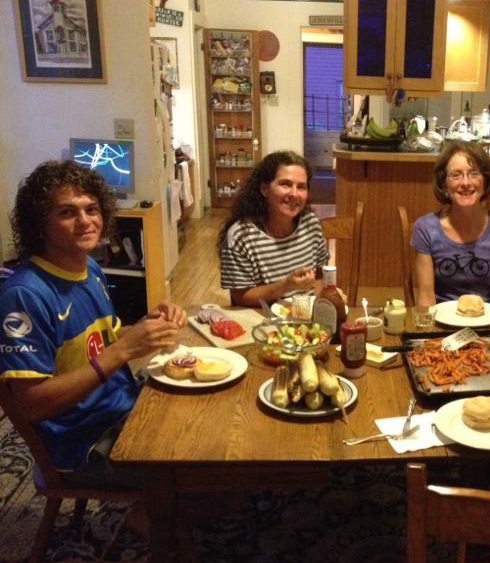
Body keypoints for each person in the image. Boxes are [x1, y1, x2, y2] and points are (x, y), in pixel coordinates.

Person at [0, 160, 188, 487]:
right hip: (84, 441)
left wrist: (147, 326)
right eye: (67, 212)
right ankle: (152, 511)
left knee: (208, 414)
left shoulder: (90, 268)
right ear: (39, 222)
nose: (86, 221)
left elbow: (105, 340)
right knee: (208, 472)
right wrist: (124, 350)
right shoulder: (25, 295)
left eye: (92, 209)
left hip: (122, 403)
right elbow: (31, 405)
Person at [411, 141, 490, 306]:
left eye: (473, 173)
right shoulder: (425, 228)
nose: (465, 182)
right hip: (441, 318)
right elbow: (426, 298)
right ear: (444, 185)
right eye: (456, 175)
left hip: (488, 317)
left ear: (485, 182)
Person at [218, 150, 330, 307]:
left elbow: (319, 275)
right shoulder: (241, 236)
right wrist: (286, 285)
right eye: (285, 184)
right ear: (264, 189)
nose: (294, 194)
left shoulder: (311, 224)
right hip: (262, 317)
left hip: (306, 316)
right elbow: (240, 297)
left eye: (301, 187)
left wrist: (322, 302)